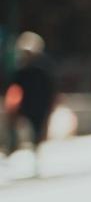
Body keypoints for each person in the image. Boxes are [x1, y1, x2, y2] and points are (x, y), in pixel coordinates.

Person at [4, 32, 57, 163]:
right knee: (14, 126)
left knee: (38, 131)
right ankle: (12, 147)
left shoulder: (44, 70)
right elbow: (13, 86)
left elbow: (51, 89)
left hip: (40, 105)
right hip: (27, 105)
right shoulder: (22, 71)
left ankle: (36, 151)